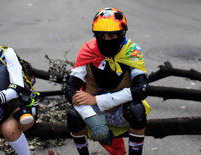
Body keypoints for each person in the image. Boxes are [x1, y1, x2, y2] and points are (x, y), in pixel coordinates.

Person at [64, 8, 151, 155]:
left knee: (137, 110)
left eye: (112, 36)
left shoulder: (132, 51)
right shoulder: (88, 50)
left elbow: (142, 89)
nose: (106, 40)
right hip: (94, 113)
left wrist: (96, 100)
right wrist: (91, 118)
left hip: (122, 110)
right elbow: (70, 89)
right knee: (73, 116)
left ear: (121, 34)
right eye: (101, 36)